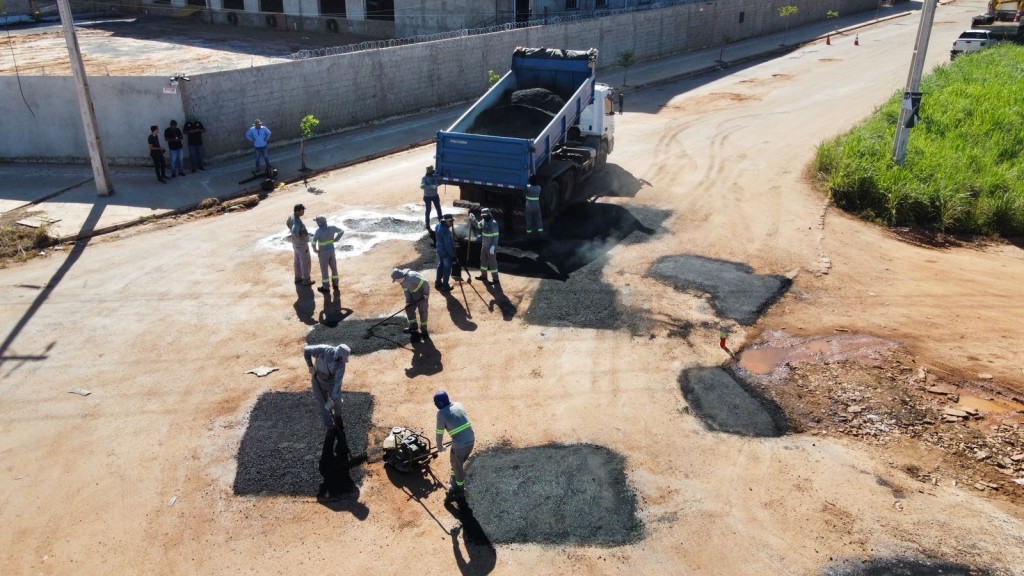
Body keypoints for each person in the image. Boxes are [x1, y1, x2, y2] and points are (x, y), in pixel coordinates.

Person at [434, 391, 474, 502]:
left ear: (439, 403)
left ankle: (460, 489)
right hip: (471, 440)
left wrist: (439, 446)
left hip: (460, 445)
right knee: (454, 461)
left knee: (458, 466)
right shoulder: (458, 404)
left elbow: (439, 433)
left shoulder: (441, 414)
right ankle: (453, 480)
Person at [304, 343, 351, 430]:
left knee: (338, 402)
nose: (342, 360)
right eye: (341, 358)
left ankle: (338, 416)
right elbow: (306, 350)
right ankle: (330, 426)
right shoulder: (323, 350)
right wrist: (310, 366)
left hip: (331, 383)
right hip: (317, 379)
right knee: (322, 405)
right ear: (337, 354)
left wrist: (332, 399)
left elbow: (338, 382)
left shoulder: (341, 365)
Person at [391, 267, 430, 336]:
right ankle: (413, 326)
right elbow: (406, 291)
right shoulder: (402, 281)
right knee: (409, 308)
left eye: (396, 280)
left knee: (423, 311)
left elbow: (425, 283)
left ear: (399, 277)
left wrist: (426, 294)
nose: (396, 281)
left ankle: (424, 329)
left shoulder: (412, 277)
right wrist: (408, 301)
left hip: (422, 293)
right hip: (413, 293)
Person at [311, 216, 344, 294]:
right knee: (334, 268)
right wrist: (336, 239)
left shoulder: (318, 231)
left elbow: (313, 242)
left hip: (323, 254)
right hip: (331, 252)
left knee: (324, 270)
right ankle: (336, 285)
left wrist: (315, 250)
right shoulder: (332, 228)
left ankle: (326, 287)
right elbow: (341, 232)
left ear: (319, 223)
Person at [469, 208, 500, 285]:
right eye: (483, 216)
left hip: (491, 247)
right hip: (484, 245)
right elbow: (478, 226)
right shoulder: (483, 221)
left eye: (485, 216)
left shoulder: (494, 223)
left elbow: (496, 237)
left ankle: (495, 279)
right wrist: (473, 220)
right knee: (483, 260)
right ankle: (483, 275)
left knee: (492, 263)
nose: (484, 217)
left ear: (489, 214)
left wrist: (493, 247)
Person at [287, 204, 314, 285]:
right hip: (301, 244)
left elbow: (288, 223)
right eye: (302, 210)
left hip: (295, 243)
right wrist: (301, 235)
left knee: (297, 261)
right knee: (305, 262)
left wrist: (294, 234)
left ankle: (298, 278)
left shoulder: (291, 217)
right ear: (297, 211)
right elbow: (295, 230)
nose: (303, 212)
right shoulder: (297, 221)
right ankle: (306, 280)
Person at [434, 214, 455, 292]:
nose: (452, 223)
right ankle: (445, 286)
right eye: (450, 221)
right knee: (447, 268)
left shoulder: (437, 226)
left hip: (439, 249)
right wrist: (452, 255)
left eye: (452, 221)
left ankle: (438, 282)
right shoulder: (446, 231)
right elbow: (448, 245)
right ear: (445, 221)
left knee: (441, 265)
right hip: (445, 252)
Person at [421, 166, 441, 231]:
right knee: (428, 210)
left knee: (438, 209)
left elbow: (438, 183)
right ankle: (427, 223)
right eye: (432, 170)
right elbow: (422, 186)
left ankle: (441, 221)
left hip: (435, 196)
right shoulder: (424, 178)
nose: (434, 171)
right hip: (427, 197)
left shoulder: (435, 177)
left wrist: (438, 184)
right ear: (429, 171)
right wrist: (432, 186)